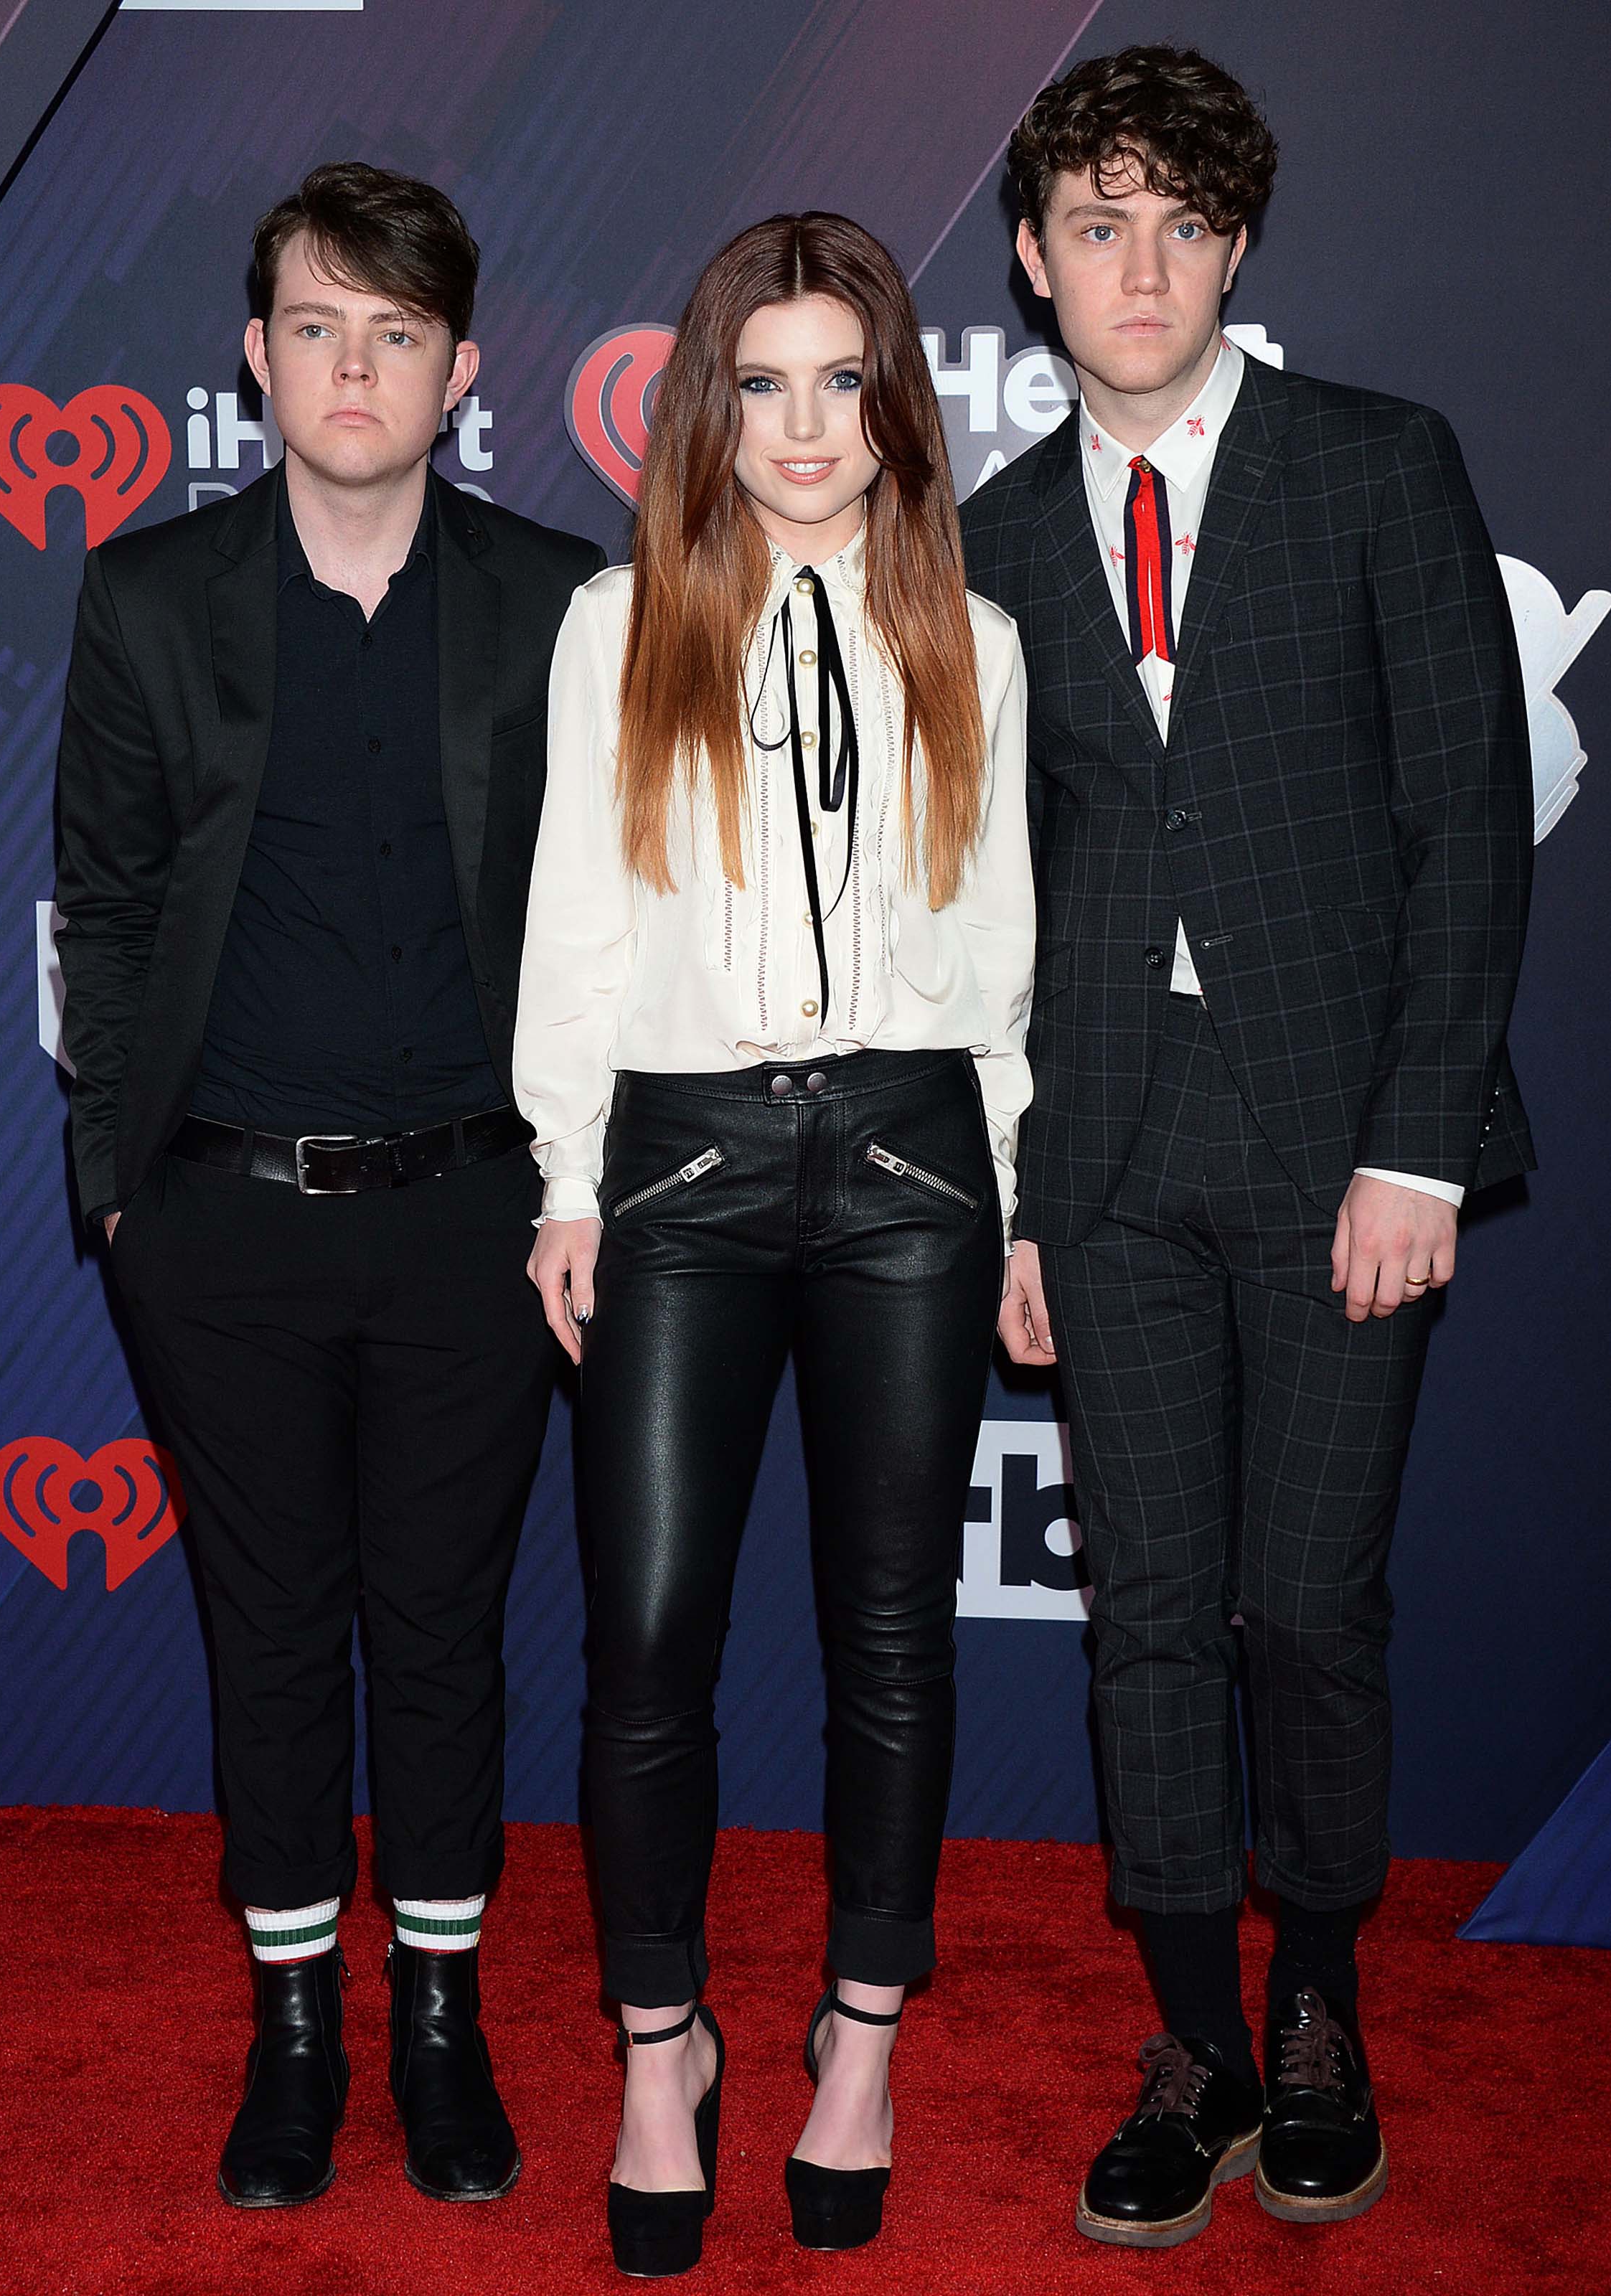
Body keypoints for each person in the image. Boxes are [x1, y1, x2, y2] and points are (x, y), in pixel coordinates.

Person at [960, 44, 1533, 2249]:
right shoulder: (984, 542)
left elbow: (1464, 826)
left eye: (1180, 226)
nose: (1139, 267)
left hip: (1334, 1143)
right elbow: (979, 908)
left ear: (1234, 250)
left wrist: (1413, 1145)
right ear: (1029, 256)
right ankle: (1189, 2037)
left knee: (1305, 1610)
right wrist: (1015, 1193)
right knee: (1145, 1635)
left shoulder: (1377, 468)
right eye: (1095, 225)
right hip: (1103, 1149)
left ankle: (1314, 2003)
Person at [54, 161, 602, 2209]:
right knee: (269, 1634)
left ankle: (441, 2034)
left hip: (479, 1216)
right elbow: (102, 914)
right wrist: (117, 1183)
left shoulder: (561, 600)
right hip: (218, 1222)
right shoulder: (146, 595)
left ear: (461, 370)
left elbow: (623, 917)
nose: (352, 369)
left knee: (444, 1634)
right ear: (257, 355)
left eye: (394, 335)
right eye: (315, 328)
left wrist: (588, 1184)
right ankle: (294, 2038)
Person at [514, 212, 1033, 2276]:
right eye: (762, 382)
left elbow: (995, 954)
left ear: (890, 403)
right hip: (679, 1167)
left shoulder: (970, 643)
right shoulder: (611, 620)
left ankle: (859, 2041)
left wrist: (1008, 1192)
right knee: (646, 1634)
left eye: (841, 382)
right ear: (705, 406)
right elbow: (576, 914)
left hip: (911, 1160)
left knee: (891, 1636)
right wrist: (566, 1172)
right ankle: (660, 2049)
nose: (803, 427)